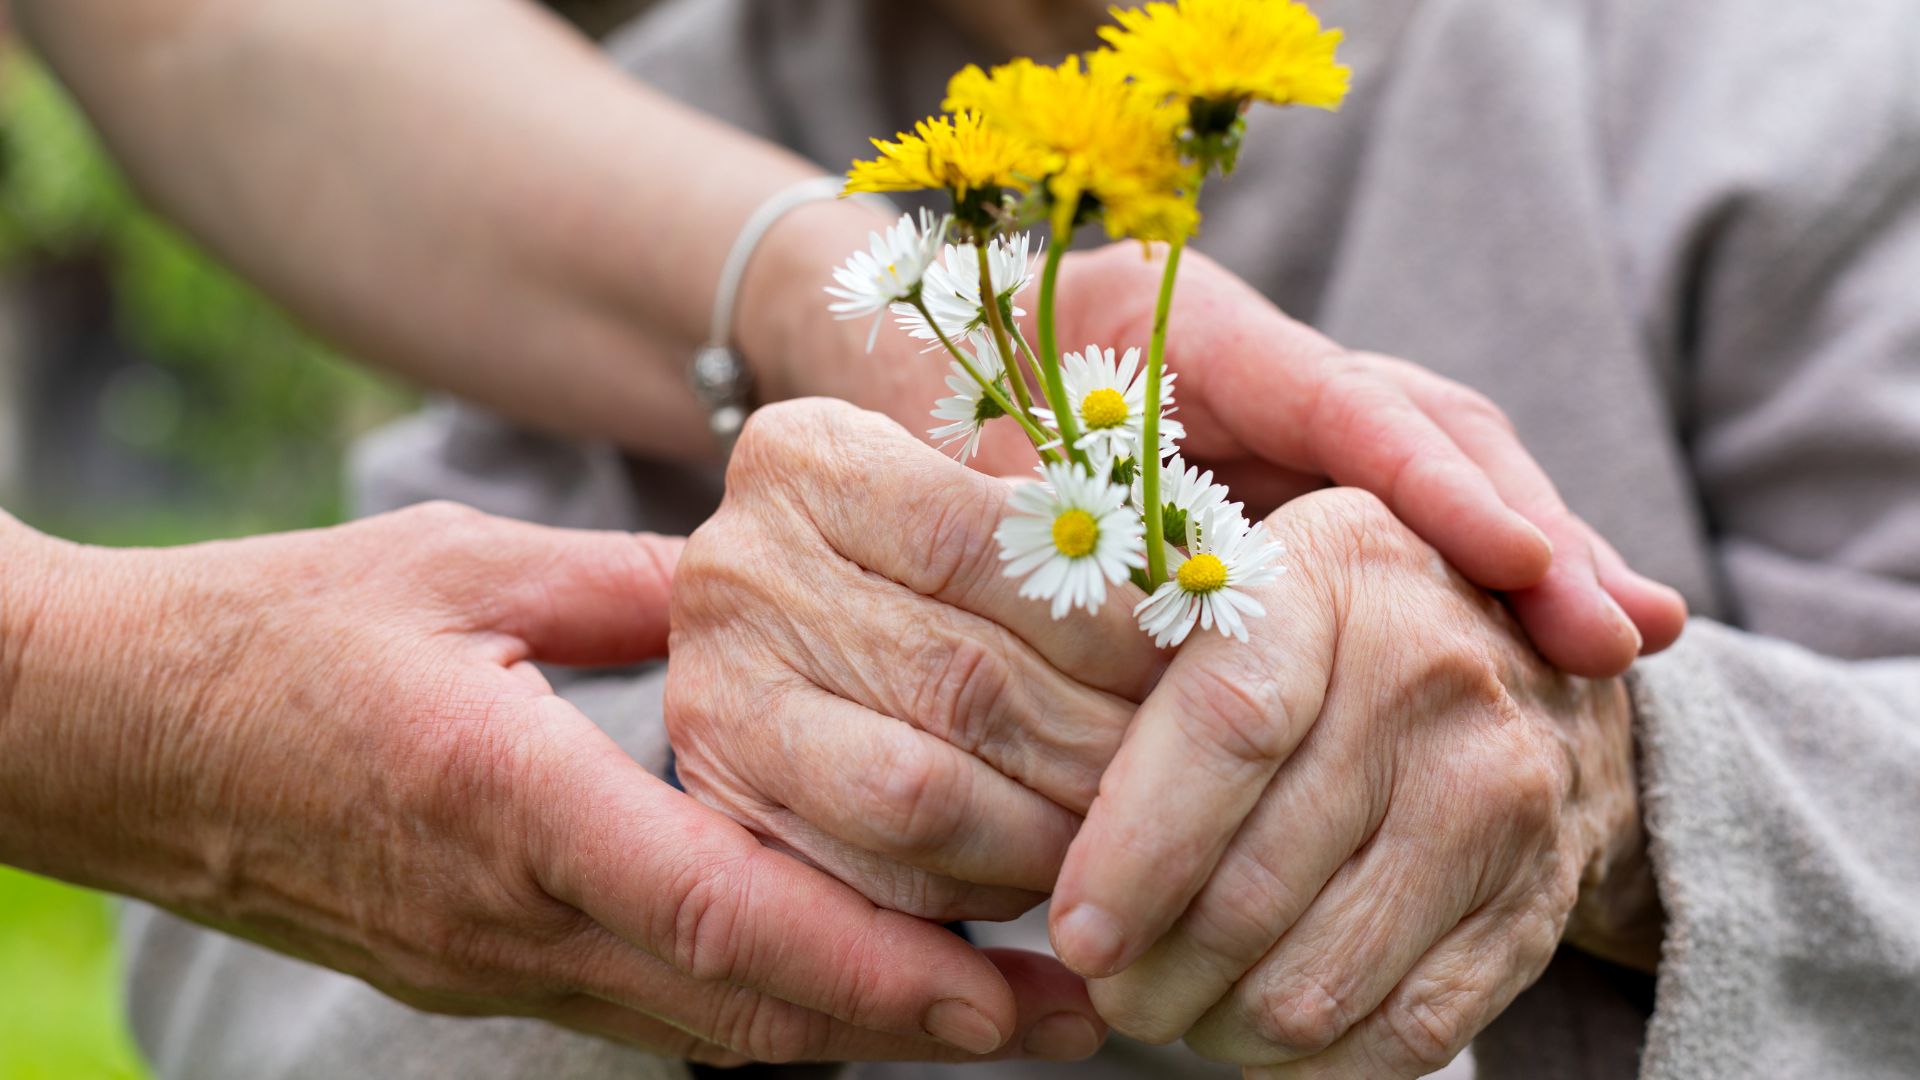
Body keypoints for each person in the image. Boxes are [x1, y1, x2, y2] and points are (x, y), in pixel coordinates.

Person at [0, 0, 1676, 1074]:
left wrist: (872, 309)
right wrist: (73, 689)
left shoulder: (1708, 98)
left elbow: (195, 29)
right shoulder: (710, 88)